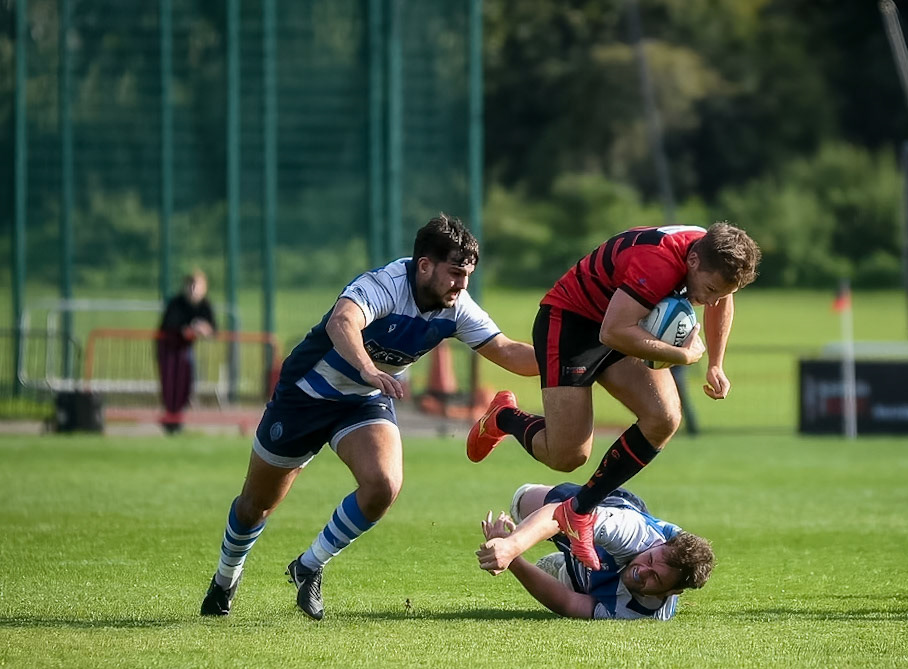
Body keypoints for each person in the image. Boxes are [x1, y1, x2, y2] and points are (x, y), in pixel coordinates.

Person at [200, 214, 538, 620]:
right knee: (256, 504)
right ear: (425, 265)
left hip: (363, 400)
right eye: (454, 273)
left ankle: (309, 566)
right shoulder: (386, 285)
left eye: (467, 275)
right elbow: (343, 321)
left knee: (383, 485)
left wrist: (576, 365)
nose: (462, 285)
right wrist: (366, 367)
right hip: (305, 395)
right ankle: (224, 580)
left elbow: (507, 351)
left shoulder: (455, 307)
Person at [466, 222, 759, 570]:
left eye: (720, 293)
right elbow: (613, 331)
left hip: (625, 321)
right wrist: (683, 356)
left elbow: (721, 300)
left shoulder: (714, 254)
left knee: (663, 418)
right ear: (693, 261)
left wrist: (716, 363)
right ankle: (504, 416)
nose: (709, 300)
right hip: (573, 323)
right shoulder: (659, 262)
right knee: (566, 456)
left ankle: (579, 510)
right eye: (709, 289)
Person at [476, 482, 714, 620]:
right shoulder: (631, 533)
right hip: (603, 511)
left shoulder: (642, 614)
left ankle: (568, 568)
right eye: (650, 560)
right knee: (522, 502)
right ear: (657, 545)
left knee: (577, 587)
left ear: (673, 591)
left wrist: (515, 561)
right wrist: (512, 544)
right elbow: (561, 515)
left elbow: (569, 603)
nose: (643, 571)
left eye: (656, 578)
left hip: (595, 577)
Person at [156, 269, 217, 433]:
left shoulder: (205, 305)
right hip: (168, 347)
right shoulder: (176, 303)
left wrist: (205, 329)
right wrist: (187, 330)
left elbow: (213, 329)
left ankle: (178, 416)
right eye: (190, 285)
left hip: (185, 349)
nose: (193, 289)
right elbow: (171, 326)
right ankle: (171, 418)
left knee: (185, 382)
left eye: (196, 285)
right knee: (170, 382)